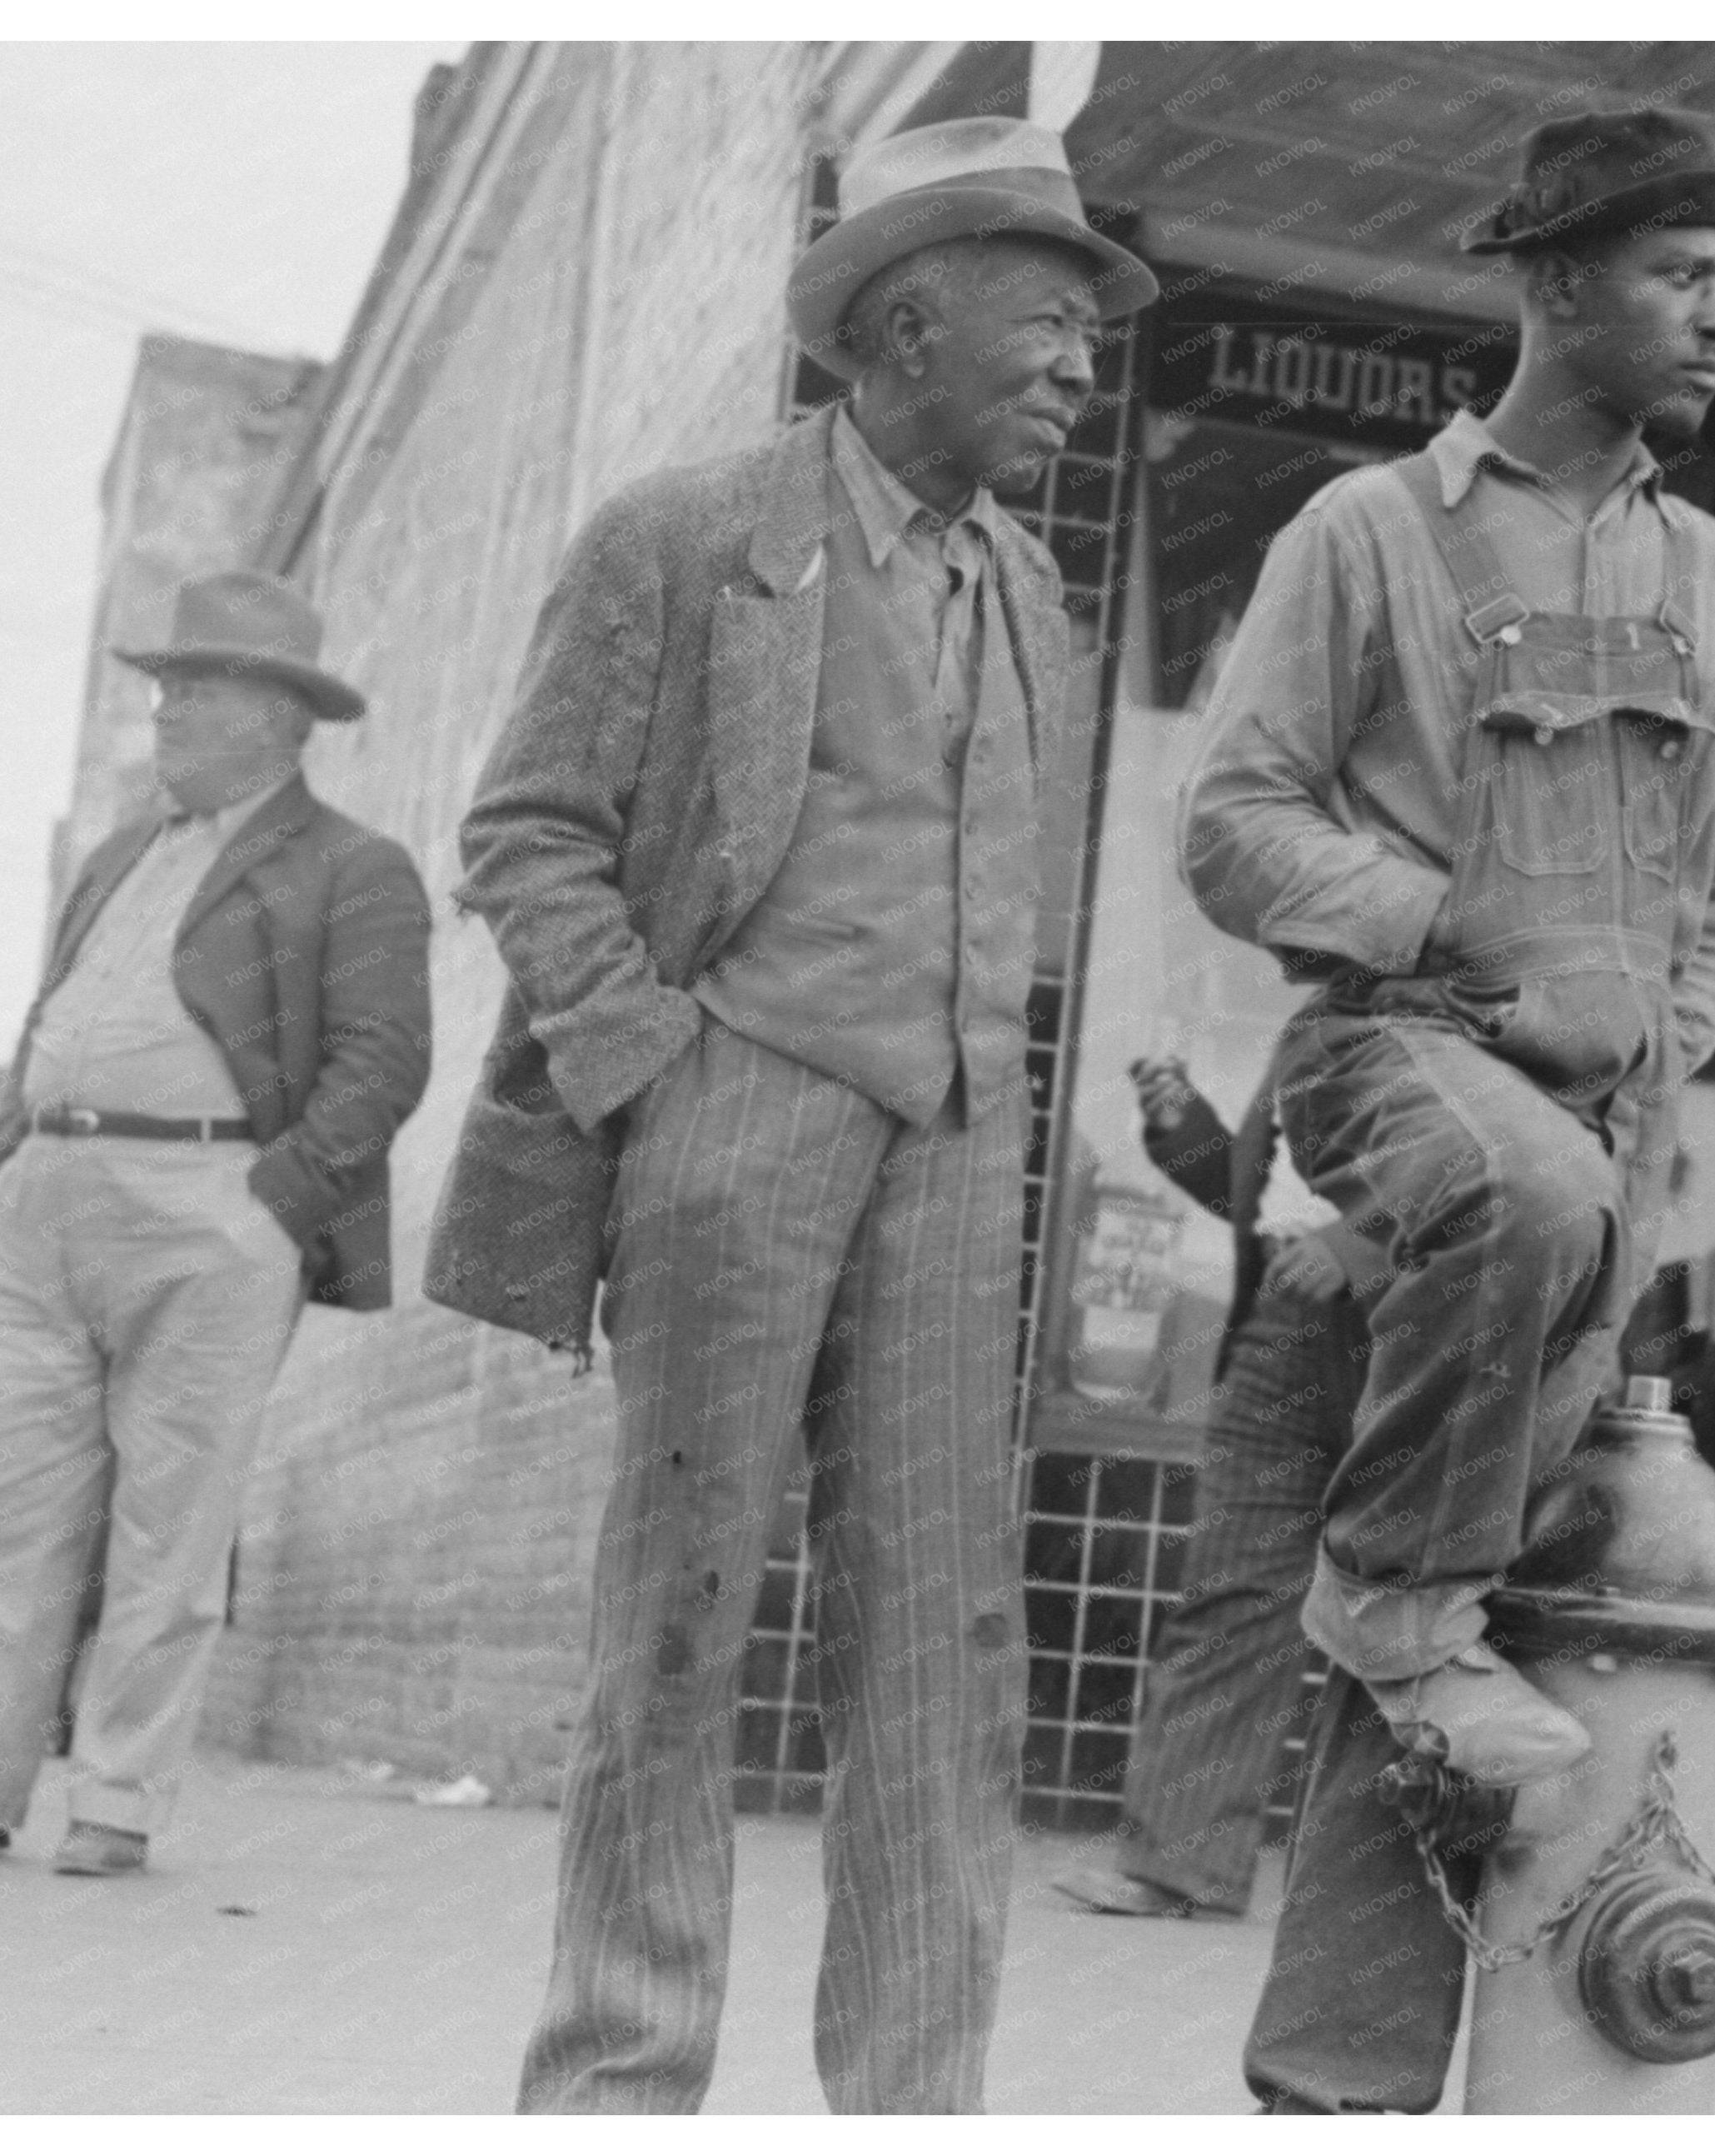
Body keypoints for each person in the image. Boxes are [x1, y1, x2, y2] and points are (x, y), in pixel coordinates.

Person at [423, 117, 1154, 2114]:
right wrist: (649, 1063)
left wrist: (993, 1120)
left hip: (951, 1151)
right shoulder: (686, 531)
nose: (1085, 367)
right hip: (729, 1115)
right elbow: (527, 827)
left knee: (941, 1650)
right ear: (909, 321)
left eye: (1096, 330)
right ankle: (617, 2073)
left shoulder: (1032, 594)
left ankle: (910, 2095)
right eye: (1050, 323)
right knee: (675, 1616)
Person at [1177, 107, 1715, 2112]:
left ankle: (1335, 2080)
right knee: (1427, 1563)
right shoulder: (1369, 531)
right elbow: (1230, 823)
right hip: (1394, 1065)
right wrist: (1449, 937)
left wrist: (1643, 1038)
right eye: (1677, 276)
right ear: (1549, 283)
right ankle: (1386, 1594)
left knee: (1475, 1659)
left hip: (1583, 1146)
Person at [0, 570, 431, 1878]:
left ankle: (117, 1804)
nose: (169, 704)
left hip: (211, 1211)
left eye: (203, 684)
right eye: (168, 683)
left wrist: (273, 1208)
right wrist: (7, 1170)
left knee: (172, 1518)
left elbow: (386, 1060)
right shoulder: (122, 850)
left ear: (282, 716)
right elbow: (54, 1013)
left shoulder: (354, 866)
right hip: (46, 1207)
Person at [1049, 1058, 1376, 1920]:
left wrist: (1360, 1243)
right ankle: (1181, 1863)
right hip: (1280, 1312)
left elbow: (1507, 1171)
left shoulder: (1465, 999)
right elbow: (1267, 1199)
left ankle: (1410, 1901)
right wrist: (1187, 1132)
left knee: (1424, 1602)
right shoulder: (1319, 1016)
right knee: (1236, 1587)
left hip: (1414, 1327)